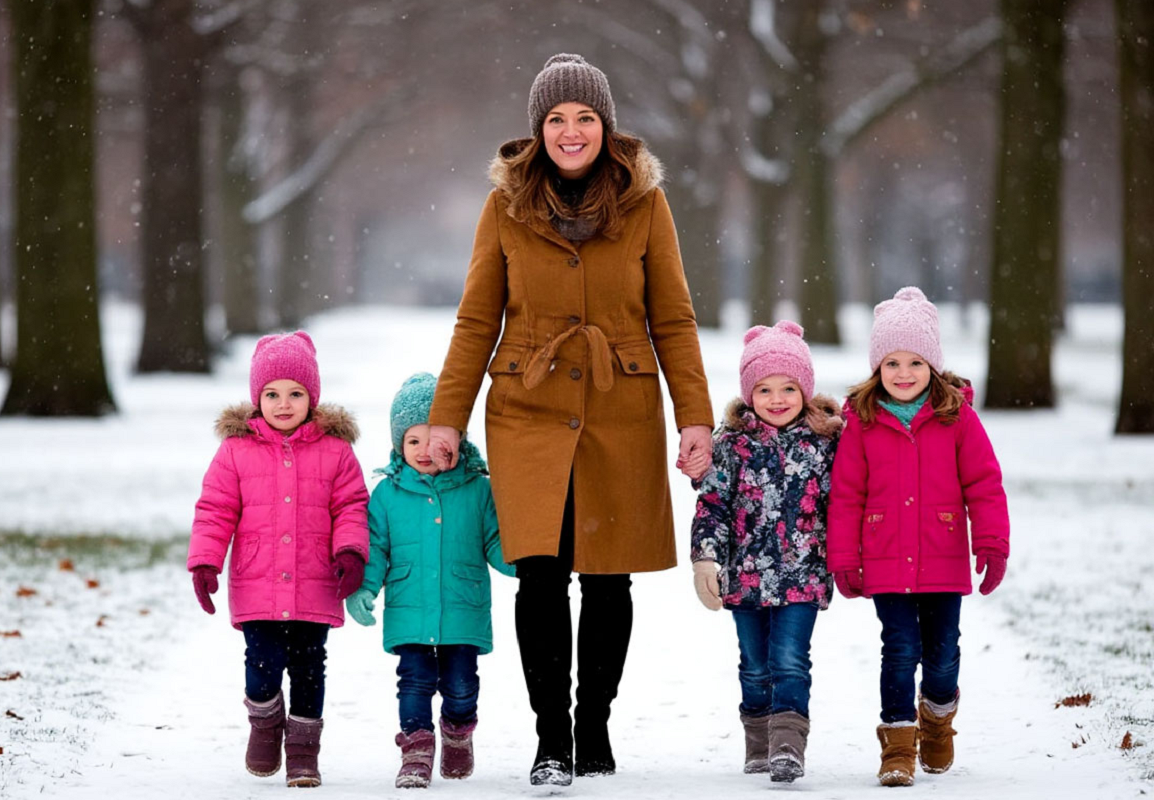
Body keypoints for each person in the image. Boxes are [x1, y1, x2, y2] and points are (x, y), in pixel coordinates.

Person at [425, 53, 715, 785]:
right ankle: (551, 737)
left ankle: (595, 728)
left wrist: (697, 419)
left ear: (607, 128)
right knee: (541, 577)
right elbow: (475, 320)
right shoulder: (505, 208)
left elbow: (673, 320)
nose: (571, 131)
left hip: (620, 407)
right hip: (527, 406)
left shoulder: (646, 205)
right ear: (537, 130)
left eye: (585, 117)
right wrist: (444, 420)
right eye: (556, 119)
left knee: (609, 580)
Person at [826, 287, 1010, 787]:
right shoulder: (862, 425)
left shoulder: (957, 419)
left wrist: (991, 544)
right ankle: (898, 746)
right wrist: (844, 558)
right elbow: (845, 495)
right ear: (876, 369)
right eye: (891, 363)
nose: (902, 374)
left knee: (944, 651)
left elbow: (984, 484)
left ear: (932, 365)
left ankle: (937, 717)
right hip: (885, 561)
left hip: (943, 557)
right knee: (900, 648)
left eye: (914, 362)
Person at [188, 331, 370, 788]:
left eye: (295, 393)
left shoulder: (336, 451)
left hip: (314, 578)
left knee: (310, 666)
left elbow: (351, 505)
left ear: (313, 397)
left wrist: (350, 551)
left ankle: (304, 752)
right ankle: (266, 725)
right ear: (256, 398)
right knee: (262, 662)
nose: (283, 404)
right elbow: (215, 508)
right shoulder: (235, 451)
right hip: (258, 580)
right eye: (271, 394)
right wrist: (205, 561)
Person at [690, 321, 842, 784]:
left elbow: (846, 502)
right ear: (748, 394)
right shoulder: (732, 446)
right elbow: (712, 505)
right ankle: (758, 741)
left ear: (806, 389)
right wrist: (705, 559)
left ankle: (788, 747)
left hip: (804, 575)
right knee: (754, 664)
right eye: (765, 389)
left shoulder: (826, 444)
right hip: (747, 576)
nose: (777, 399)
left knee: (791, 659)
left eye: (789, 388)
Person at [346, 373, 515, 789]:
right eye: (413, 440)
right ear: (398, 445)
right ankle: (416, 751)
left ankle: (458, 733)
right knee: (414, 682)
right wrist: (365, 588)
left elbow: (495, 540)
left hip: (463, 606)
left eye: (434, 439)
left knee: (461, 684)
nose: (424, 451)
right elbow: (377, 547)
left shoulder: (478, 490)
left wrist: (527, 567)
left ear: (457, 438)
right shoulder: (387, 495)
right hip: (409, 608)